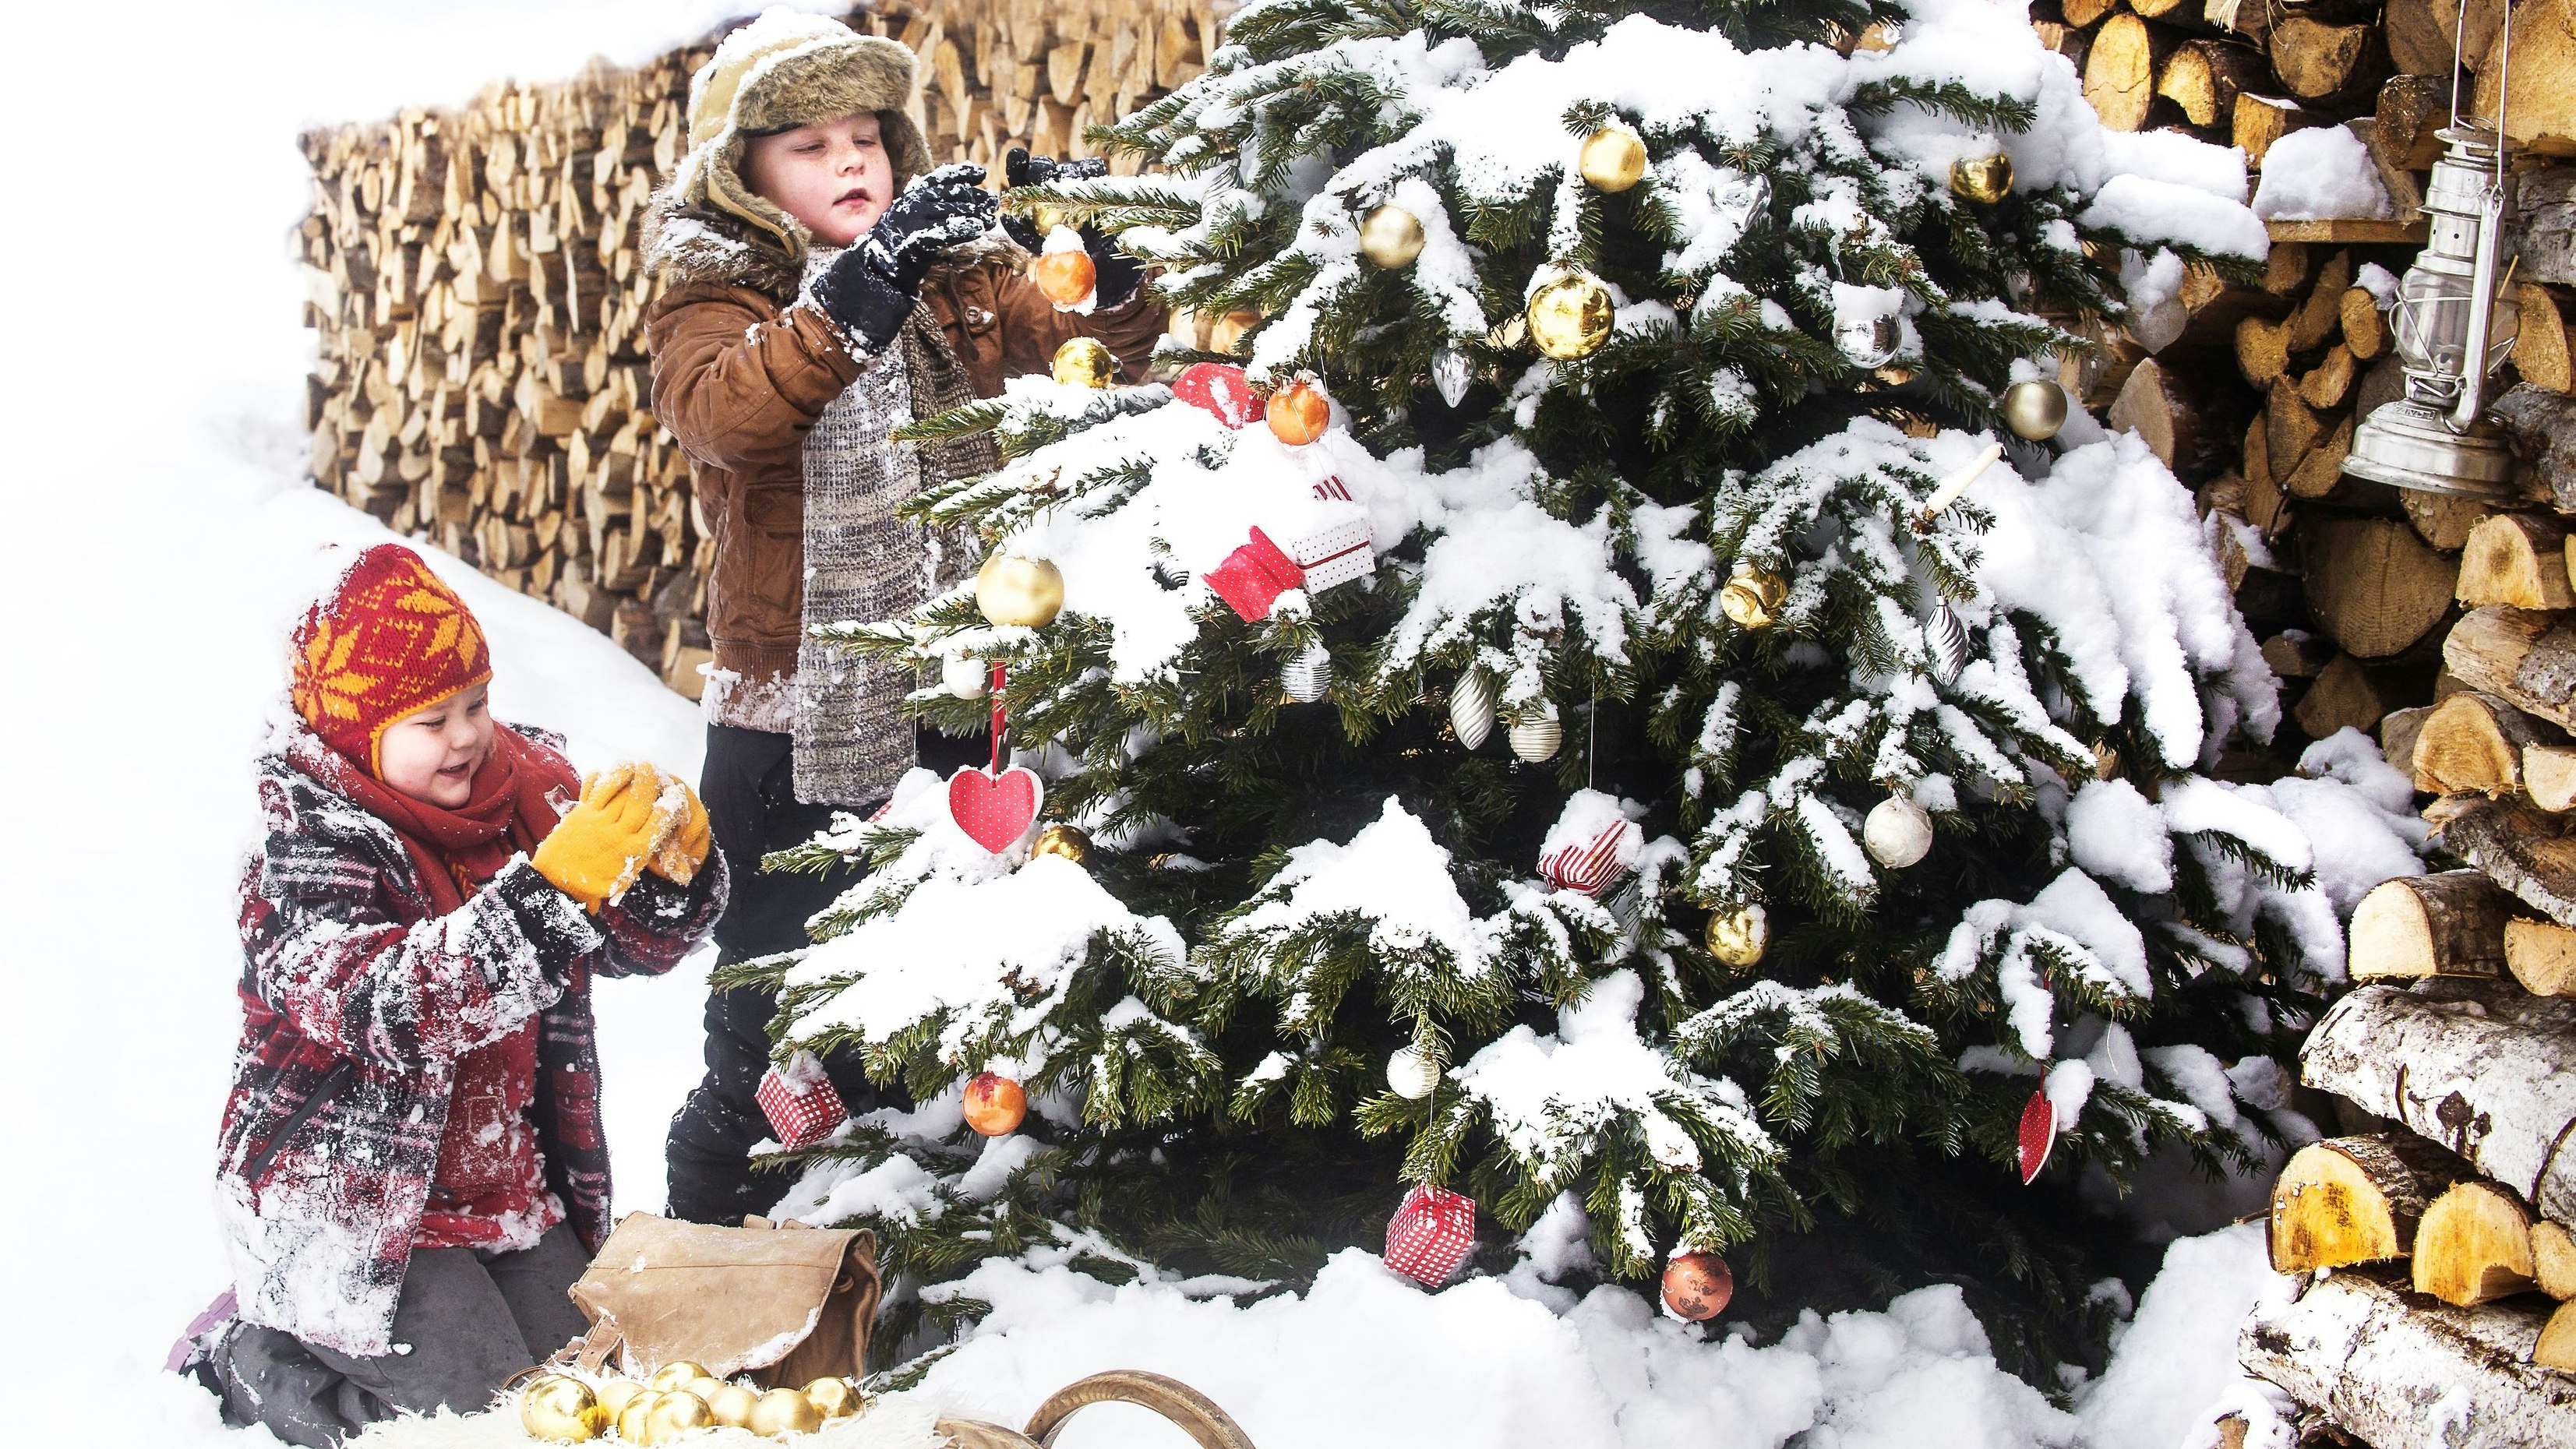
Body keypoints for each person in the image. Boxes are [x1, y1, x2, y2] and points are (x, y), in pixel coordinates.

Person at [640, 8, 1169, 1225]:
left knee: (940, 994)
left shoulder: (962, 271)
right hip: (793, 722)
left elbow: (1086, 360)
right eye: (809, 145)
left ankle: (900, 1235)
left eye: (866, 135)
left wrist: (1102, 261)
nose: (852, 163)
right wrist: (857, 294)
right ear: (746, 175)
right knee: (773, 1019)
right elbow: (725, 414)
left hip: (955, 690)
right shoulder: (715, 291)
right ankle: (709, 1240)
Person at [186, 543, 726, 1445]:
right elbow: (390, 1008)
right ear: (360, 734)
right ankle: (252, 1358)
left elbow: (633, 947)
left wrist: (673, 877)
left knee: (585, 1392)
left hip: (503, 1184)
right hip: (353, 1213)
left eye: (476, 703)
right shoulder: (301, 854)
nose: (469, 735)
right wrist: (551, 895)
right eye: (431, 720)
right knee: (475, 1421)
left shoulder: (523, 787)